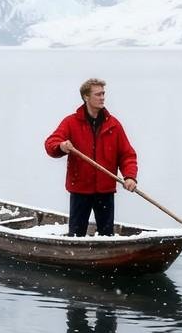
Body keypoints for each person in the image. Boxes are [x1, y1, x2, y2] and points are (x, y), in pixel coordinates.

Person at [44, 78, 138, 237]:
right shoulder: (71, 122)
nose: (102, 97)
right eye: (98, 94)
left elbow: (127, 154)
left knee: (107, 236)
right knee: (76, 235)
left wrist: (130, 177)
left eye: (103, 94)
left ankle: (107, 258)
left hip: (105, 191)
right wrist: (61, 146)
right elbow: (50, 144)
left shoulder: (113, 125)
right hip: (80, 190)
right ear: (86, 97)